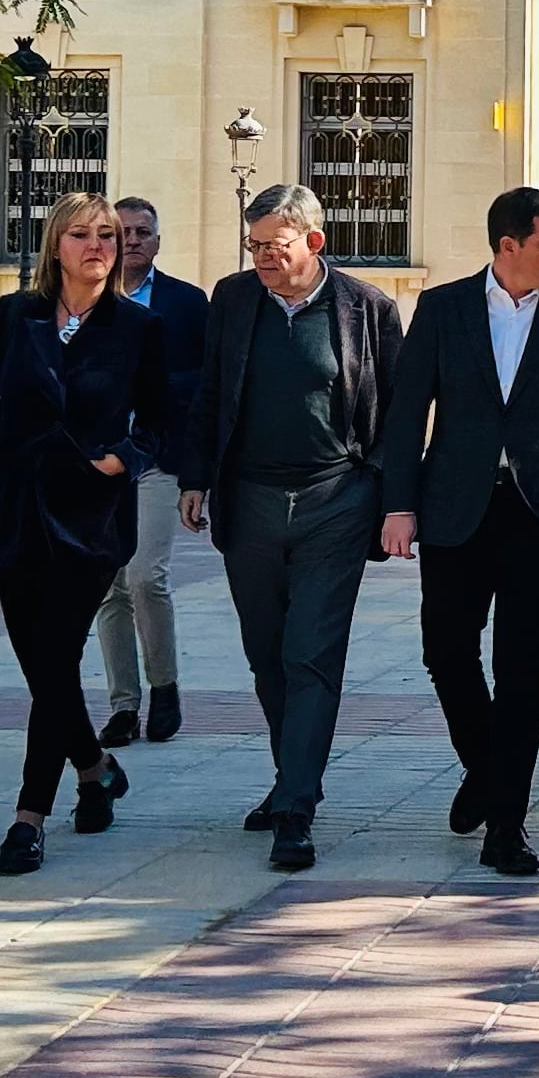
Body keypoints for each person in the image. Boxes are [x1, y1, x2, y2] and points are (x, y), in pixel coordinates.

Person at [378, 188, 539, 878]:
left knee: (523, 672)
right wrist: (397, 504)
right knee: (445, 652)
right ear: (508, 246)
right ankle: (486, 767)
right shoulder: (444, 307)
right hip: (456, 507)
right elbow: (406, 415)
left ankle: (507, 826)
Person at [177, 184, 406, 874]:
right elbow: (210, 390)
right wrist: (195, 477)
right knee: (267, 652)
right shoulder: (234, 298)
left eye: (275, 247)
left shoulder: (368, 309)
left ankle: (296, 808)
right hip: (248, 498)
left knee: (310, 652)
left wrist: (395, 503)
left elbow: (396, 416)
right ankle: (291, 775)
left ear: (313, 241)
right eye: (254, 247)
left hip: (334, 499)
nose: (263, 260)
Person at [0, 193, 167, 877]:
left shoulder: (136, 326)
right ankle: (93, 768)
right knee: (43, 668)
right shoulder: (16, 314)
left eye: (107, 235)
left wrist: (125, 457)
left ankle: (27, 817)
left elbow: (165, 417)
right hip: (17, 510)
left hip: (90, 519)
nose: (97, 246)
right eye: (80, 234)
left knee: (54, 659)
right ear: (56, 245)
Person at [99, 195, 207, 749]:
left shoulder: (187, 304)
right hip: (97, 464)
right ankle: (123, 705)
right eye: (123, 232)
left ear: (158, 242)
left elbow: (206, 386)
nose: (133, 240)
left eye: (144, 232)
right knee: (108, 587)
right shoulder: (83, 300)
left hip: (158, 460)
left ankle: (164, 686)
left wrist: (198, 476)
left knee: (144, 575)